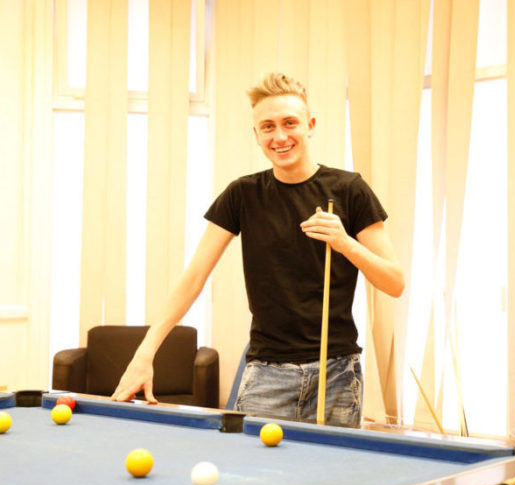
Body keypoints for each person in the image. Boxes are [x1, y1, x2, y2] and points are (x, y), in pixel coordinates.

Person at [112, 72, 405, 428]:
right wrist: (145, 352)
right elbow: (194, 277)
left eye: (290, 123)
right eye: (268, 127)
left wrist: (346, 244)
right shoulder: (242, 195)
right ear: (256, 135)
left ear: (310, 125)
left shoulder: (349, 190)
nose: (279, 136)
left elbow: (394, 282)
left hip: (337, 372)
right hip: (267, 373)